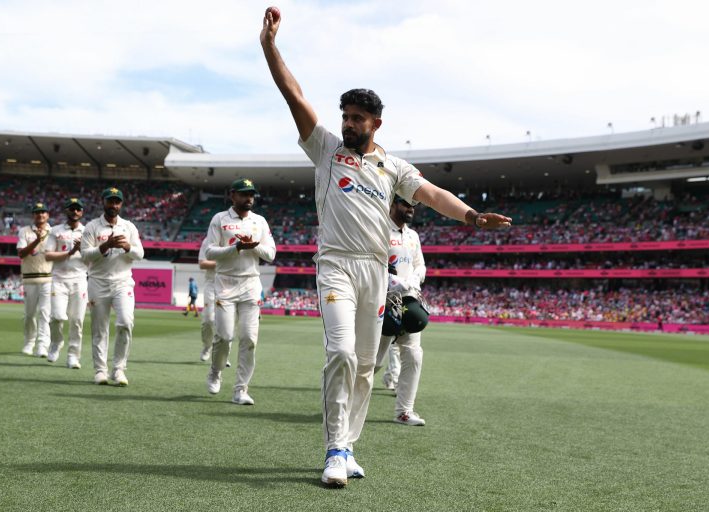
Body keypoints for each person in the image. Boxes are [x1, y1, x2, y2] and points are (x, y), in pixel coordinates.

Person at [260, 6, 512, 487]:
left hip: (376, 271)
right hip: (335, 266)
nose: (349, 124)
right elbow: (292, 94)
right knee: (341, 354)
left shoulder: (392, 167)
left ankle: (348, 446)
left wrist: (472, 216)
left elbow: (433, 194)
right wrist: (270, 46)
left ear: (377, 122)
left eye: (358, 118)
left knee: (366, 367)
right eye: (346, 117)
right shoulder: (326, 149)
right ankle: (334, 449)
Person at [203, 178, 276, 406]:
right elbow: (210, 252)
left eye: (251, 195)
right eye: (244, 194)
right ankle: (215, 371)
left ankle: (241, 389)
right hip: (224, 283)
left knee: (249, 339)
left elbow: (271, 254)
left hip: (251, 284)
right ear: (232, 195)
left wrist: (254, 245)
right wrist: (236, 247)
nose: (249, 199)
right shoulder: (220, 219)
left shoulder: (259, 221)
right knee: (224, 336)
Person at [81, 187, 144, 386]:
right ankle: (100, 370)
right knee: (100, 328)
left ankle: (118, 369)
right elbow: (84, 255)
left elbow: (140, 254)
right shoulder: (92, 227)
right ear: (103, 202)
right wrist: (105, 246)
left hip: (123, 282)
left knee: (125, 322)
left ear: (121, 204)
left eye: (117, 201)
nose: (113, 205)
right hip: (98, 282)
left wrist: (127, 247)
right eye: (110, 201)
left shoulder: (129, 227)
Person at [375, 197, 428, 426]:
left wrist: (415, 278)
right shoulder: (377, 230)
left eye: (414, 205)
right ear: (393, 205)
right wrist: (393, 281)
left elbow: (420, 264)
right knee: (372, 362)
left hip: (408, 299)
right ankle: (347, 404)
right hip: (382, 301)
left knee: (414, 355)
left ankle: (404, 411)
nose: (411, 209)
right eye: (406, 204)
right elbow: (371, 266)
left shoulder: (412, 235)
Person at [44, 198, 88, 369]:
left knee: (77, 320)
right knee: (57, 317)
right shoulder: (55, 230)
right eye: (72, 209)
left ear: (82, 212)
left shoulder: (87, 231)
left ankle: (73, 356)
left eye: (78, 209)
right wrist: (70, 252)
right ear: (66, 211)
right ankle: (56, 342)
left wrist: (83, 250)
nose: (75, 212)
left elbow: (93, 257)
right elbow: (48, 255)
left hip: (79, 279)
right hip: (59, 279)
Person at [16, 202, 53, 357]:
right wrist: (37, 240)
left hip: (48, 278)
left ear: (48, 215)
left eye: (43, 212)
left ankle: (43, 345)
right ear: (33, 215)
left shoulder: (54, 232)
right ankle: (29, 342)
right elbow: (21, 254)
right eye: (37, 212)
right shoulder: (24, 231)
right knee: (29, 314)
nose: (40, 214)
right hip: (30, 278)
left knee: (45, 313)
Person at [197, 238, 233, 366]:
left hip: (229, 285)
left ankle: (224, 355)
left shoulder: (234, 239)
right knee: (208, 320)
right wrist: (223, 264)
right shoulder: (208, 241)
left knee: (225, 321)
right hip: (211, 283)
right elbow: (202, 264)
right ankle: (207, 346)